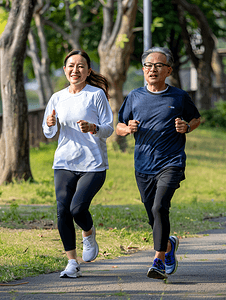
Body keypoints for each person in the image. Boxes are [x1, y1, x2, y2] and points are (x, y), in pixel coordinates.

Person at [116, 46, 201, 280]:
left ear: (168, 70)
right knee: (152, 214)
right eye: (148, 65)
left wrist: (187, 127)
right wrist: (127, 129)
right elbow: (119, 125)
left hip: (171, 161)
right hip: (143, 165)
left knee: (159, 206)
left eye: (158, 65)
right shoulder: (134, 96)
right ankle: (169, 245)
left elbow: (196, 118)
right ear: (143, 70)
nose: (152, 69)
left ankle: (159, 260)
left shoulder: (179, 96)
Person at [42, 50, 114, 278]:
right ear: (65, 70)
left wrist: (94, 128)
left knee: (77, 208)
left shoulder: (96, 95)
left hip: (93, 163)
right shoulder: (57, 97)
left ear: (88, 71)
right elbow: (49, 132)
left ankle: (88, 232)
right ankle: (71, 262)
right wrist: (50, 123)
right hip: (64, 161)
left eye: (81, 66)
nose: (76, 70)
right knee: (62, 210)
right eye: (71, 66)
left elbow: (109, 128)